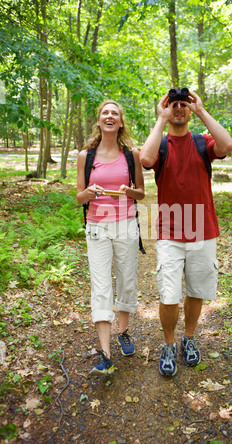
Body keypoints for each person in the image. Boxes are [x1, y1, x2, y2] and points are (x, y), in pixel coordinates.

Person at [139, 88, 232, 377]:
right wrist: (160, 118)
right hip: (170, 231)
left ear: (190, 109)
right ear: (167, 109)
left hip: (203, 230)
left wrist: (201, 110)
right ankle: (169, 344)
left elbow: (227, 145)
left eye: (184, 105)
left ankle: (188, 338)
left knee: (196, 290)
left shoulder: (202, 142)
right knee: (169, 293)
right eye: (174, 105)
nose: (179, 109)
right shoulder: (162, 144)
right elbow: (144, 159)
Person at [77, 100, 145, 376]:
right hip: (96, 226)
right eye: (105, 112)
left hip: (126, 225)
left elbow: (141, 192)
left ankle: (123, 332)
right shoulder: (86, 156)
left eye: (114, 113)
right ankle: (105, 353)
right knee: (101, 285)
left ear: (120, 121)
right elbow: (79, 196)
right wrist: (89, 194)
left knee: (127, 281)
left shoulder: (132, 154)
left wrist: (128, 191)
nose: (109, 116)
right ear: (99, 120)